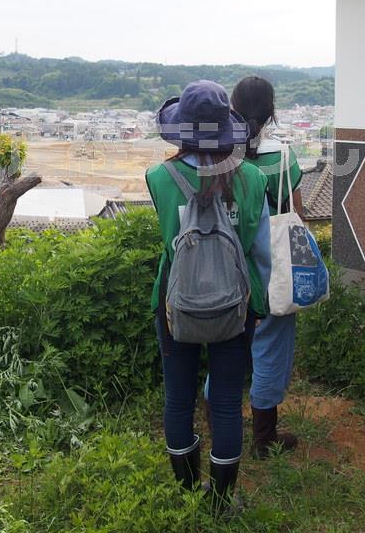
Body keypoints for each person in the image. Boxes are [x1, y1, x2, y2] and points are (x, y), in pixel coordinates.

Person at [146, 80, 271, 511]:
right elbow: (261, 252)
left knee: (178, 398)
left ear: (181, 128)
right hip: (235, 304)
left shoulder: (159, 178)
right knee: (227, 402)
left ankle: (186, 493)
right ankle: (219, 501)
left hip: (175, 303)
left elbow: (167, 241)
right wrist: (260, 304)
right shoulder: (252, 178)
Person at [230, 75, 304, 459]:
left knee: (228, 347)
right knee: (271, 347)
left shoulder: (224, 157)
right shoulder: (283, 156)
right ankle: (264, 437)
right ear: (271, 110)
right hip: (274, 267)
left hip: (230, 266)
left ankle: (220, 423)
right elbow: (297, 214)